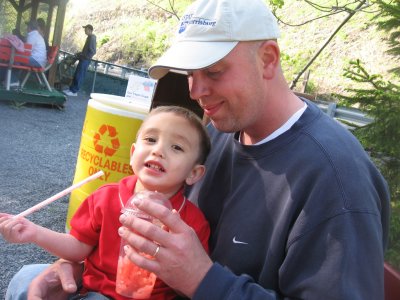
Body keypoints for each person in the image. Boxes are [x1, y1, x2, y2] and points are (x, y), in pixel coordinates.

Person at [7, 0, 391, 299]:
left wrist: (201, 279)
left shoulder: (337, 180)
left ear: (268, 59)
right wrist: (74, 267)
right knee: (29, 279)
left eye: (214, 71)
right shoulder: (220, 130)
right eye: (190, 74)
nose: (195, 91)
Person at [2, 106, 210, 299]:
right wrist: (35, 233)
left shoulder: (191, 224)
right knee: (24, 279)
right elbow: (78, 247)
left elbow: (189, 286)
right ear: (132, 154)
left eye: (176, 147)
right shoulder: (105, 197)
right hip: (93, 291)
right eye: (150, 139)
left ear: (193, 173)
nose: (158, 150)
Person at [0, 20, 46, 87]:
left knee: (15, 58)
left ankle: (13, 81)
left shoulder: (33, 36)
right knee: (16, 58)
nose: (26, 28)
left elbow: (26, 51)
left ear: (30, 27)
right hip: (38, 60)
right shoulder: (36, 35)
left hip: (36, 61)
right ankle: (11, 80)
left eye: (27, 26)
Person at [63, 24, 96, 97]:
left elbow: (93, 51)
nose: (85, 31)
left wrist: (86, 57)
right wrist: (80, 53)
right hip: (82, 59)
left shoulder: (92, 38)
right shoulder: (89, 37)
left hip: (85, 60)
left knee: (79, 75)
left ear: (90, 30)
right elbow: (86, 50)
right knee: (77, 74)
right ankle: (71, 89)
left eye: (86, 29)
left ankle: (74, 91)